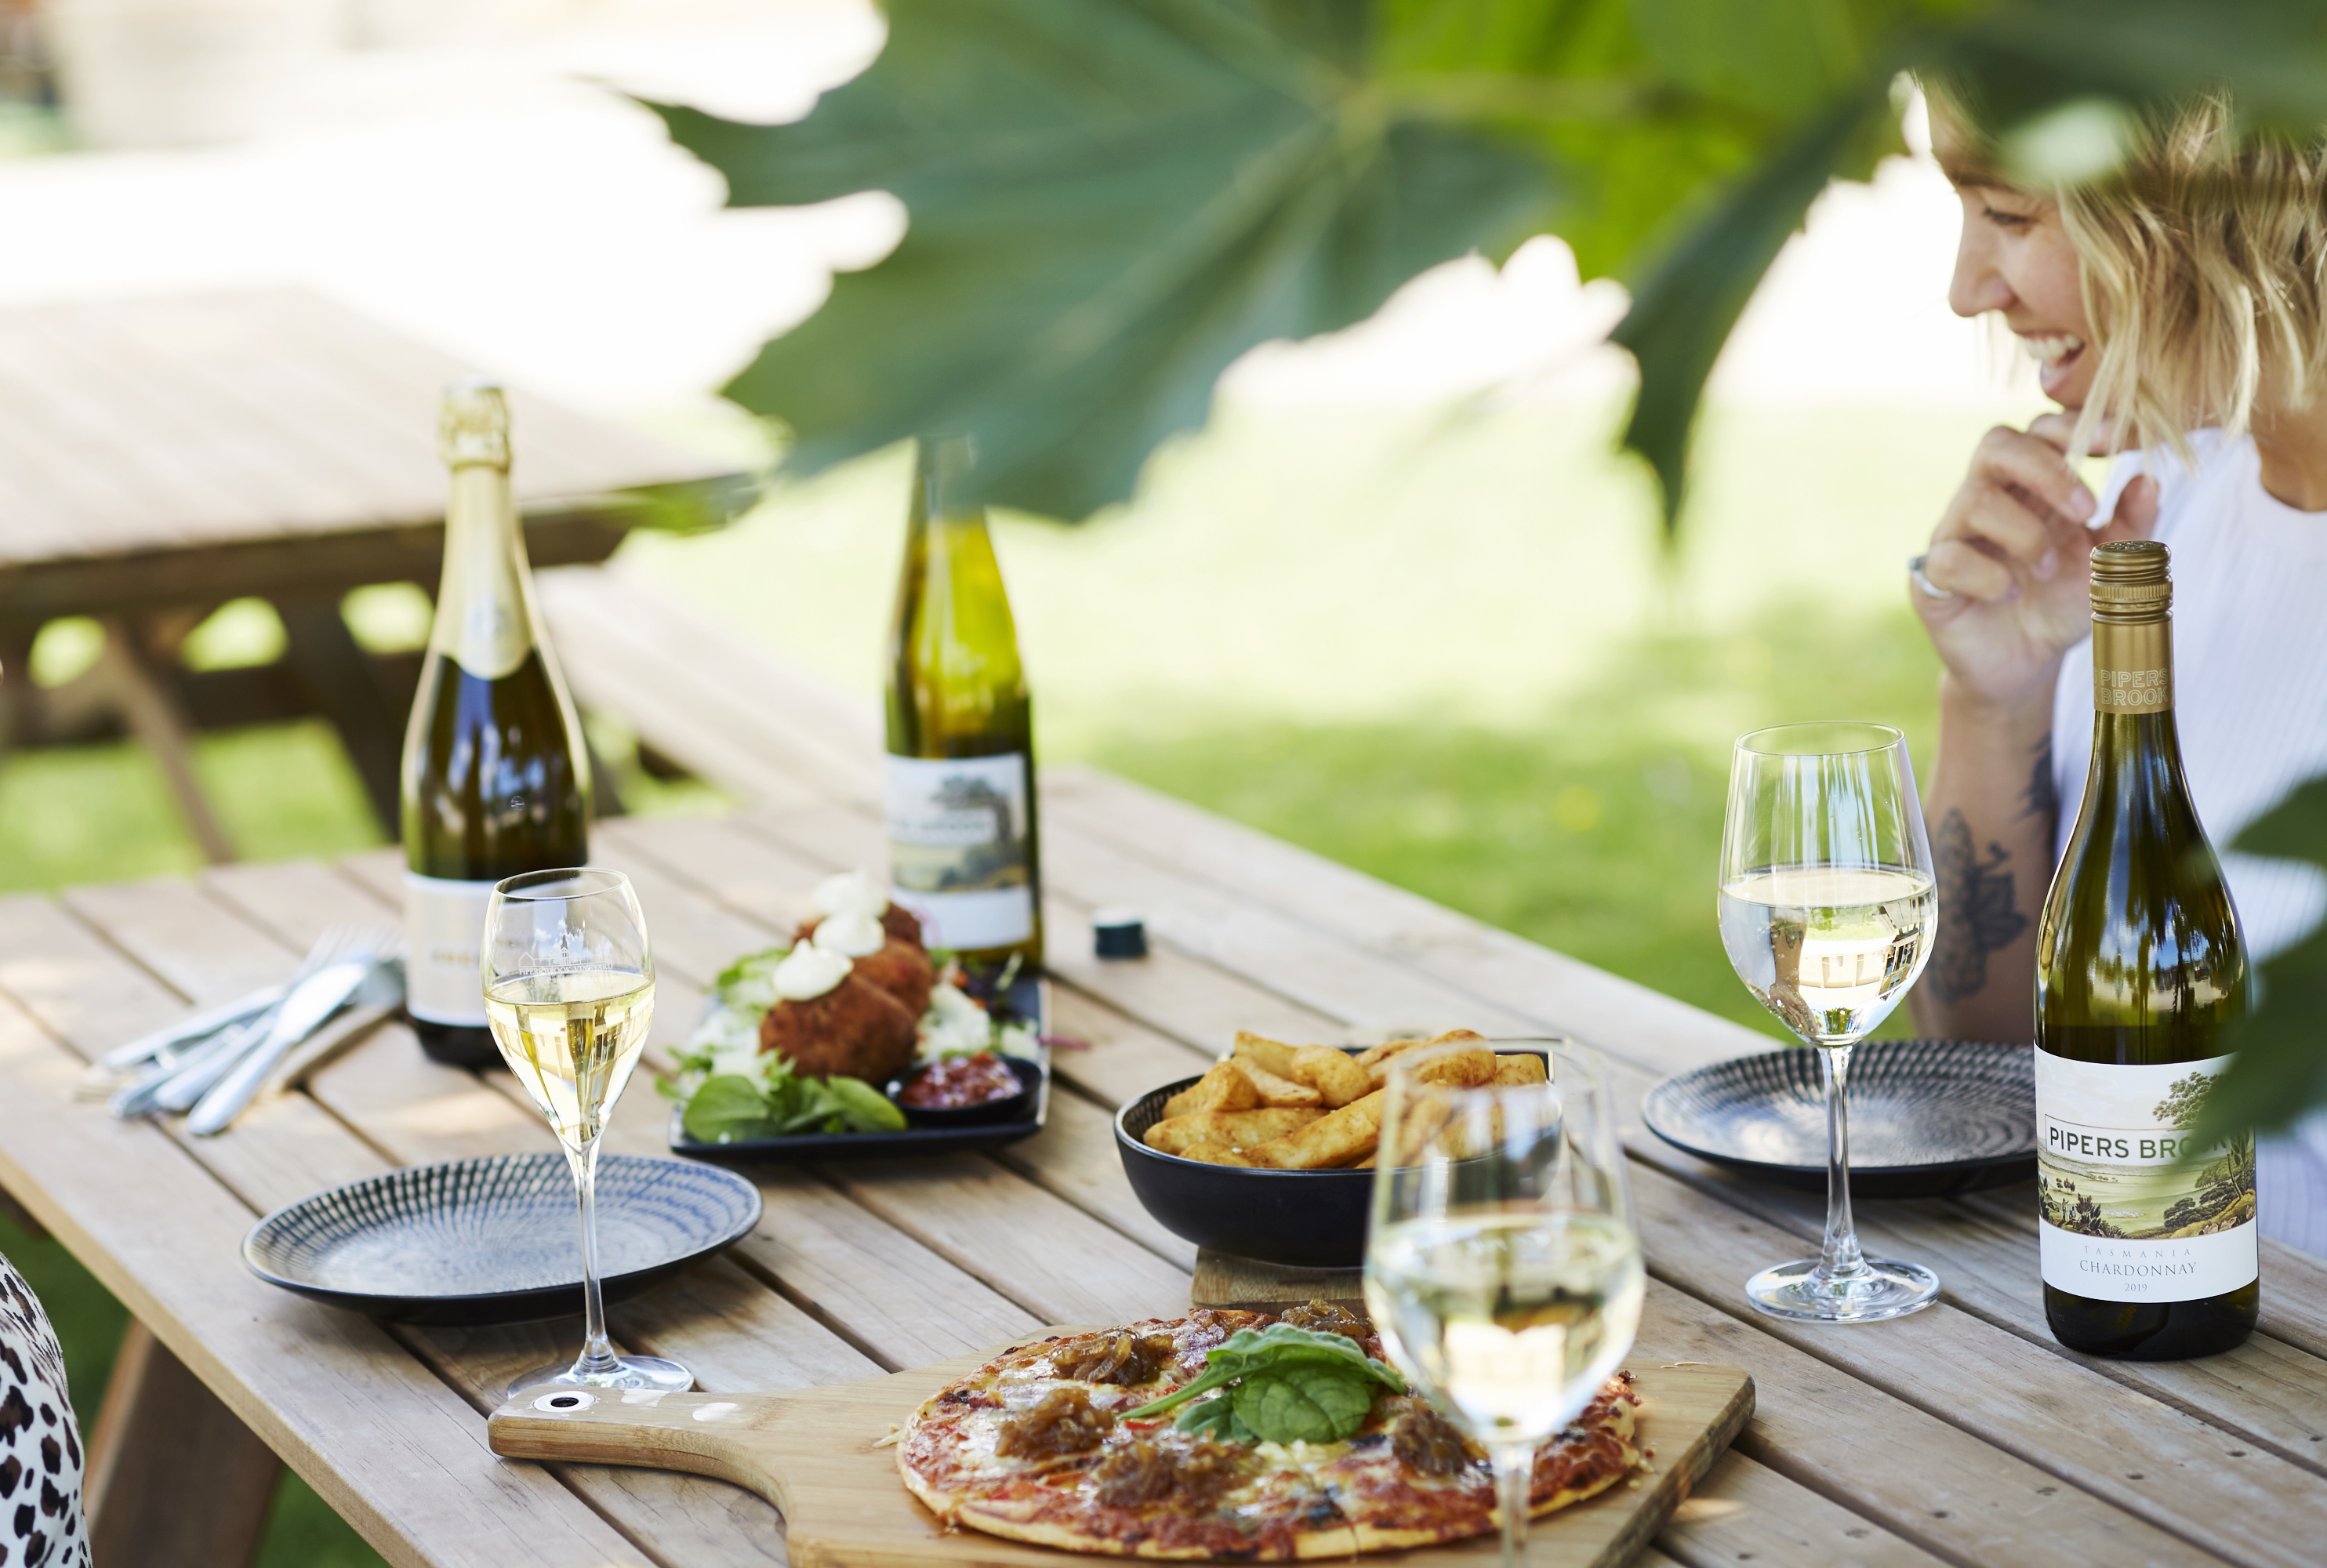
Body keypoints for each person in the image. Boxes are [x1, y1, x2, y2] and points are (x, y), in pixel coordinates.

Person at [1906, 90, 2327, 1256]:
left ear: (2223, 195)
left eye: (2006, 211)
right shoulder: (2154, 512)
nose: (1968, 288)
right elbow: (1991, 1052)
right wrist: (1994, 698)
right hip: (2133, 1354)